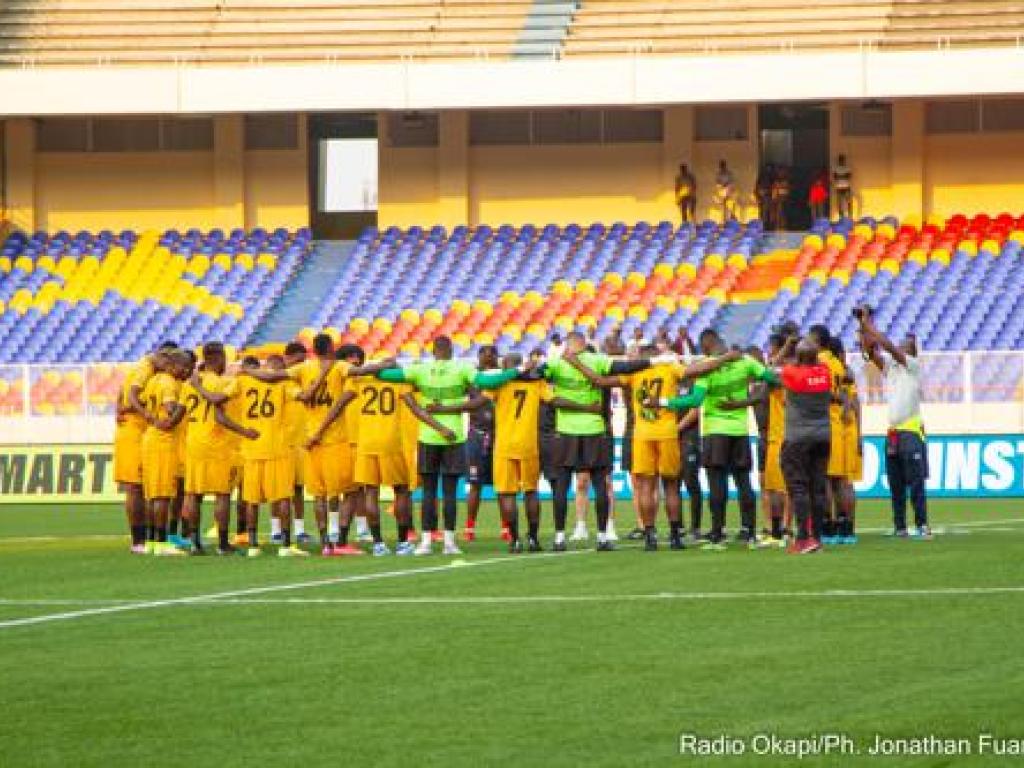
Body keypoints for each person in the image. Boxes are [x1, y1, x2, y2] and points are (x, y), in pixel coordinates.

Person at [569, 345, 739, 551]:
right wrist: (724, 358)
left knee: (646, 488)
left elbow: (599, 381)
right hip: (667, 432)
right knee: (671, 487)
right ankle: (676, 536)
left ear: (642, 358)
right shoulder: (669, 367)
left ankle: (650, 535)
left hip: (642, 434)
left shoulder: (635, 372)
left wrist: (576, 363)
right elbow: (696, 371)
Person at [377, 335, 522, 556]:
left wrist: (380, 366)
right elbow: (489, 383)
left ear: (433, 351)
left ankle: (425, 542)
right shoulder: (462, 369)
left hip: (427, 437)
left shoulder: (419, 370)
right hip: (454, 438)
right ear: (451, 350)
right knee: (450, 492)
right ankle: (449, 542)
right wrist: (517, 371)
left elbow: (385, 375)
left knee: (428, 492)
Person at [655, 329, 776, 549]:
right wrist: (748, 401)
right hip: (739, 430)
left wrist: (663, 402)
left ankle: (717, 533)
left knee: (716, 483)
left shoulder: (709, 368)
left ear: (706, 345)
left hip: (714, 432)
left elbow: (694, 400)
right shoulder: (746, 361)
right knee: (744, 482)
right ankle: (749, 531)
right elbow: (772, 379)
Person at [542, 332, 655, 551]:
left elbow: (537, 374)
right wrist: (653, 361)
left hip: (565, 432)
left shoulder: (556, 363)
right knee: (600, 484)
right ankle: (603, 537)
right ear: (584, 344)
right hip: (595, 430)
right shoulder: (598, 360)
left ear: (568, 344)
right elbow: (624, 368)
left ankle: (558, 538)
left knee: (562, 486)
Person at [858, 308, 931, 539]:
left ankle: (922, 524)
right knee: (896, 483)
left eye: (906, 345)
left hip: (910, 430)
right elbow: (871, 352)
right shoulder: (892, 369)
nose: (901, 346)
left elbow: (886, 346)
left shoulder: (913, 366)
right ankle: (900, 526)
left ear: (912, 352)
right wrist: (863, 326)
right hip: (893, 434)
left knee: (916, 483)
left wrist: (868, 323)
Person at [180, 342, 257, 555]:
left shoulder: (189, 384)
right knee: (222, 495)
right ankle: (223, 543)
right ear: (219, 358)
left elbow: (182, 412)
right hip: (216, 444)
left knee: (194, 494)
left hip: (193, 442)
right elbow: (219, 416)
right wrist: (244, 431)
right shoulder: (221, 383)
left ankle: (194, 542)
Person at [114, 342, 176, 553]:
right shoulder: (144, 369)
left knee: (146, 487)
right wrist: (146, 413)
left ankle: (148, 538)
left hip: (141, 431)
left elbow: (120, 391)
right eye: (169, 363)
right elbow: (131, 395)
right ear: (162, 357)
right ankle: (138, 540)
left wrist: (118, 409)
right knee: (135, 487)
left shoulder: (143, 369)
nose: (170, 368)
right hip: (134, 431)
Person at [777, 340, 832, 554]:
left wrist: (788, 346)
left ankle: (803, 538)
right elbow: (811, 364)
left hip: (798, 438)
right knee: (817, 488)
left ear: (799, 358)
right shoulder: (825, 373)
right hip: (823, 436)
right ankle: (816, 537)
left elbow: (774, 365)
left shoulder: (793, 374)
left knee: (798, 487)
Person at [139, 349, 191, 556]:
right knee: (162, 496)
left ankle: (152, 540)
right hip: (163, 443)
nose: (187, 371)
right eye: (184, 367)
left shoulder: (153, 380)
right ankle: (161, 543)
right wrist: (184, 403)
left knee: (153, 495)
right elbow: (170, 412)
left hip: (150, 439)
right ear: (173, 366)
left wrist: (151, 419)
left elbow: (142, 401)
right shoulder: (169, 382)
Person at [465, 345, 499, 542]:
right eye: (483, 355)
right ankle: (470, 527)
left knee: (503, 486)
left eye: (491, 355)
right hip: (477, 436)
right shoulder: (471, 378)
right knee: (474, 485)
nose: (487, 358)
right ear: (478, 357)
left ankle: (506, 527)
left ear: (496, 357)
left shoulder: (503, 378)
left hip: (500, 435)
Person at [769, 166, 791, 231]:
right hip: (776, 199)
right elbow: (774, 190)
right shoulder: (776, 181)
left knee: (781, 212)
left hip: (783, 199)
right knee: (776, 212)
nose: (780, 173)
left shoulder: (785, 181)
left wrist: (780, 189)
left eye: (781, 172)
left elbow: (787, 190)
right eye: (779, 172)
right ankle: (776, 225)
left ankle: (782, 225)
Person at [833, 154, 853, 219]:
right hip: (839, 187)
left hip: (846, 187)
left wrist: (840, 176)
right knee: (839, 203)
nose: (841, 161)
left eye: (842, 160)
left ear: (844, 160)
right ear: (839, 161)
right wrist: (843, 175)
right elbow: (835, 177)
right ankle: (841, 217)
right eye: (840, 160)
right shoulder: (836, 168)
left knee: (849, 202)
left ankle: (850, 217)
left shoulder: (847, 167)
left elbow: (849, 176)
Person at [755, 164, 774, 229]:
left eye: (769, 169)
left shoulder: (771, 178)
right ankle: (763, 225)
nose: (768, 171)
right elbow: (757, 188)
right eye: (767, 169)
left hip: (770, 197)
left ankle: (768, 225)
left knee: (769, 212)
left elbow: (773, 188)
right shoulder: (761, 178)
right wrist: (758, 196)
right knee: (763, 212)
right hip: (763, 197)